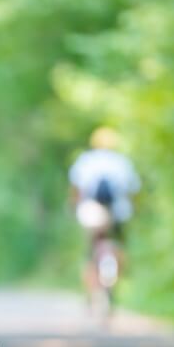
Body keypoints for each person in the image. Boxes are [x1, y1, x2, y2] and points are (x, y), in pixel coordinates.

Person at [68, 127, 140, 302]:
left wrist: (73, 206)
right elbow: (134, 190)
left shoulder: (86, 161)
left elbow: (76, 190)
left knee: (91, 249)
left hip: (91, 211)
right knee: (118, 245)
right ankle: (114, 281)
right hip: (118, 211)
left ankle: (90, 289)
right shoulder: (122, 162)